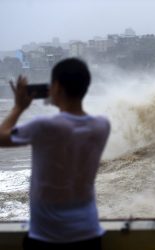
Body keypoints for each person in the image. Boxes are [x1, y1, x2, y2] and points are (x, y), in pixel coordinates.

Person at [0, 58, 110, 250]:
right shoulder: (101, 126)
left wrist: (18, 107)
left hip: (47, 237)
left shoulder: (44, 126)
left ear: (56, 86)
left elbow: (1, 137)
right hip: (89, 234)